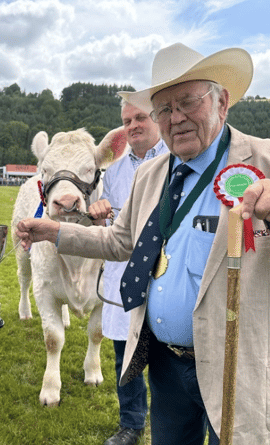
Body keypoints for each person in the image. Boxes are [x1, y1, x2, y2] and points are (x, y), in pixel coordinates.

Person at [16, 43, 270, 445]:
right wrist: (55, 232)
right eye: (164, 109)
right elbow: (122, 242)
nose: (176, 118)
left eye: (188, 102)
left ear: (222, 102)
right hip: (166, 364)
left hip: (244, 369)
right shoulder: (151, 174)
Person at [89, 100, 168, 445]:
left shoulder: (177, 156)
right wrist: (98, 213)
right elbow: (108, 224)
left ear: (156, 118)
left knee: (169, 353)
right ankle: (131, 424)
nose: (132, 125)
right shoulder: (115, 171)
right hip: (126, 271)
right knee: (126, 354)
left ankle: (170, 423)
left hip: (167, 272)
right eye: (126, 120)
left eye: (139, 117)